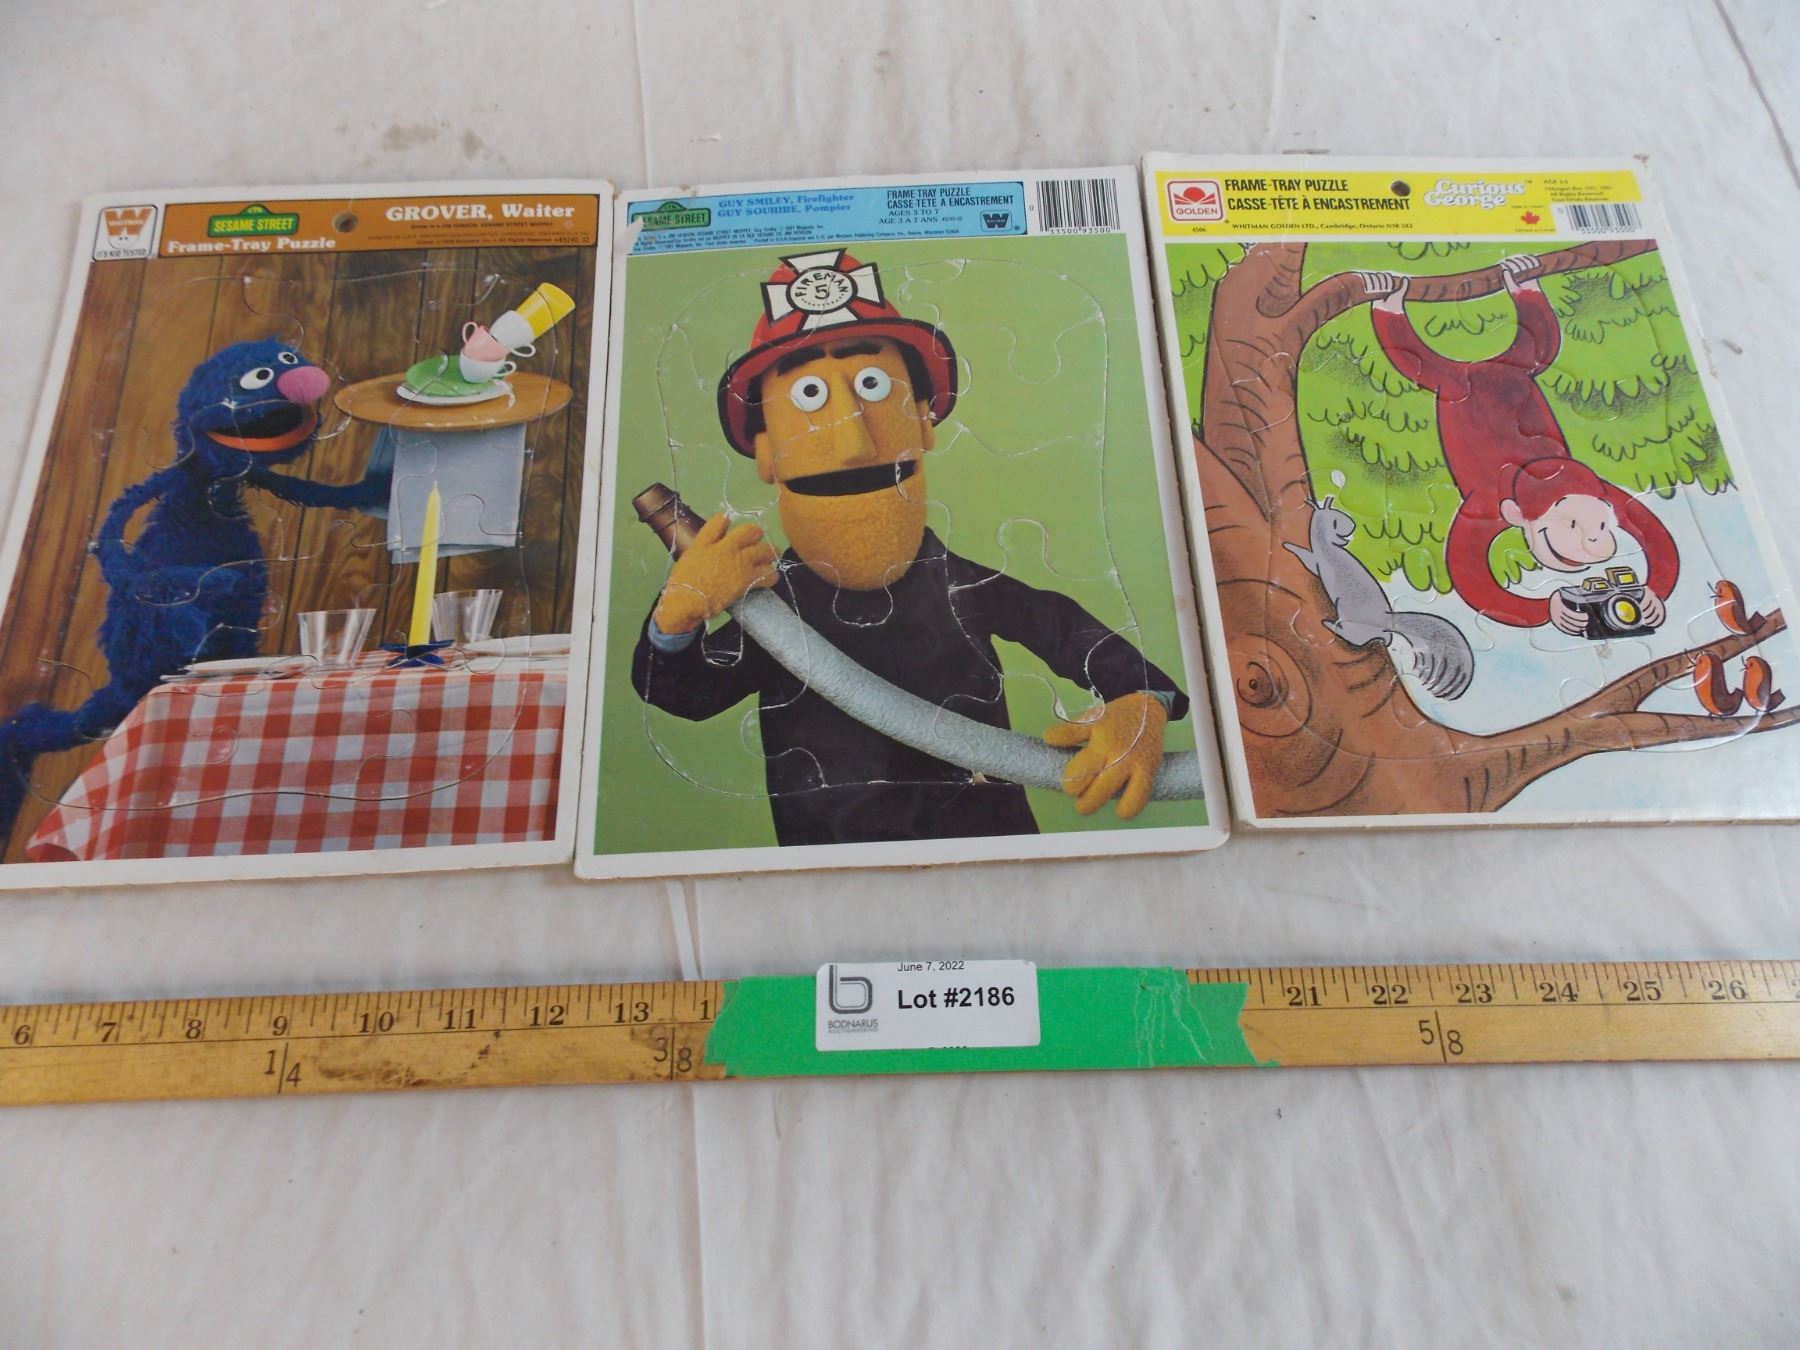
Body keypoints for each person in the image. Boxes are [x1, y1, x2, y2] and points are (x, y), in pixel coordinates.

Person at [632, 249, 1188, 846]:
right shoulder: (770, 612)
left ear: (923, 420)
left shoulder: (963, 586)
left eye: (871, 386)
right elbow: (689, 696)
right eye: (811, 396)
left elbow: (1063, 627)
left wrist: (1139, 699)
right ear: (767, 453)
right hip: (833, 864)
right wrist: (676, 619)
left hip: (992, 852)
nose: (852, 441)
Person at [1364, 256, 1677, 636]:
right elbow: (1655, 537)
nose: (1596, 534)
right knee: (1537, 349)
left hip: (1462, 389)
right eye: (1591, 525)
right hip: (1510, 378)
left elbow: (1473, 581)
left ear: (1517, 517)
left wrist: (1544, 609)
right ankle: (1524, 284)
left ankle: (1389, 307)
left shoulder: (1492, 506)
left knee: (1431, 366)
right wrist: (1656, 588)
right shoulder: (1593, 491)